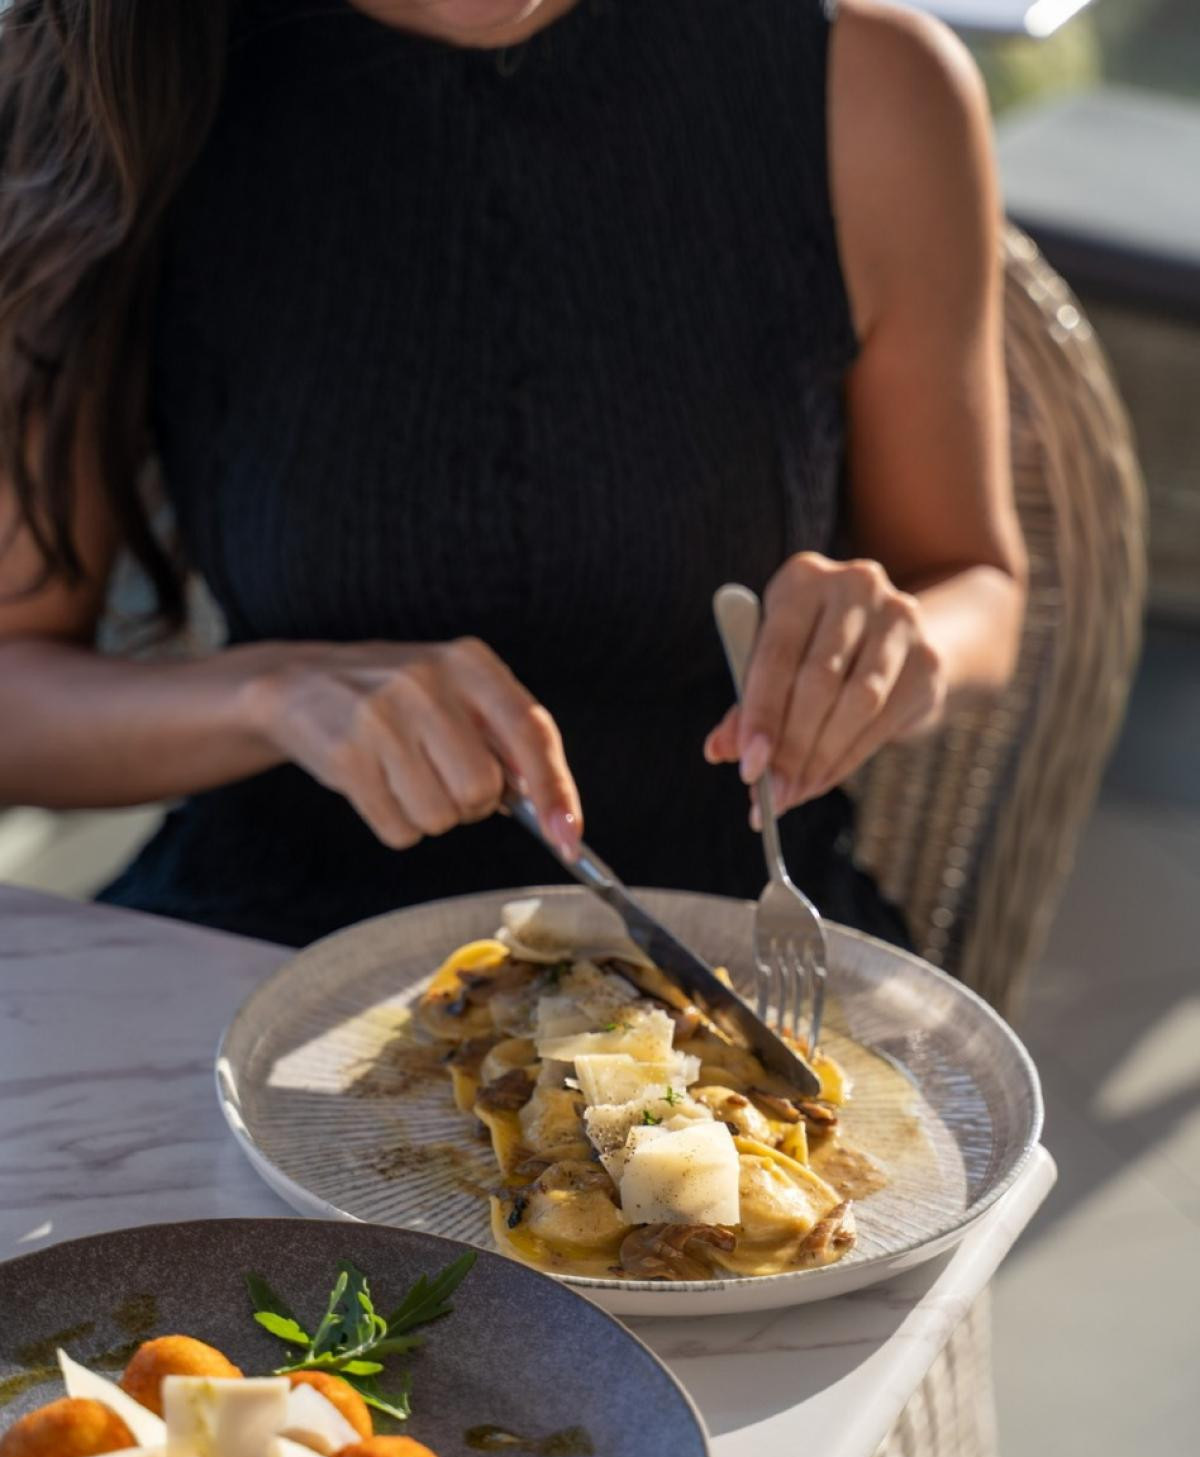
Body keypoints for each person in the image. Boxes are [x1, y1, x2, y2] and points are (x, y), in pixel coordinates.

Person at [0, 0, 1026, 948]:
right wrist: (267, 698)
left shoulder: (873, 86)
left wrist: (898, 643)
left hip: (732, 954)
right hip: (260, 953)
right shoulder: (108, 83)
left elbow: (975, 579)